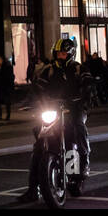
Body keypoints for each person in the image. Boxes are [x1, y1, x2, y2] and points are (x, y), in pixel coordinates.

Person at [16, 38, 92, 204]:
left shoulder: (79, 69)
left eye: (63, 53)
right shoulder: (47, 70)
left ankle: (84, 161)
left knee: (78, 127)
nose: (60, 56)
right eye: (58, 53)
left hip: (74, 109)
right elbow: (37, 88)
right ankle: (32, 189)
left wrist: (85, 95)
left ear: (71, 54)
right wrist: (29, 103)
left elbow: (88, 84)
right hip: (53, 110)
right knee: (38, 146)